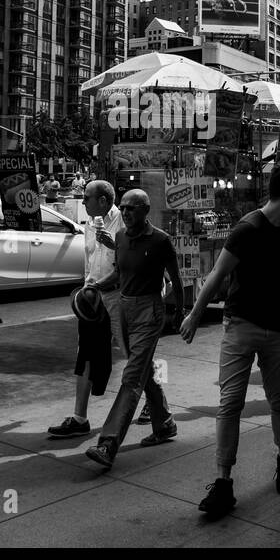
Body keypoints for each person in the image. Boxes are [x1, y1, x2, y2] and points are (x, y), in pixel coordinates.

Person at [178, 162, 280, 520]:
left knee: (279, 401)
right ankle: (223, 481)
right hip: (241, 326)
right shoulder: (247, 228)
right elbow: (218, 273)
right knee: (230, 403)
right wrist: (195, 315)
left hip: (278, 329)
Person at [85, 189, 184, 469]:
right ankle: (164, 424)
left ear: (145, 210)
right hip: (125, 309)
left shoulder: (161, 240)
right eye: (124, 208)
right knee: (143, 371)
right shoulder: (120, 237)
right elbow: (119, 272)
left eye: (131, 208)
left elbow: (176, 279)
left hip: (149, 312)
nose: (125, 212)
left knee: (131, 377)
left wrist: (181, 312)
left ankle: (108, 444)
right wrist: (95, 286)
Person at [48, 180, 122, 440]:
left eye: (87, 198)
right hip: (94, 298)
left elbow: (127, 263)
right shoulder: (90, 224)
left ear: (103, 200)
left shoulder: (122, 223)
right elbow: (90, 262)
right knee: (87, 354)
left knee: (138, 355)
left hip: (119, 298)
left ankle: (155, 401)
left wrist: (113, 244)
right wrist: (87, 288)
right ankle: (80, 417)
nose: (83, 202)